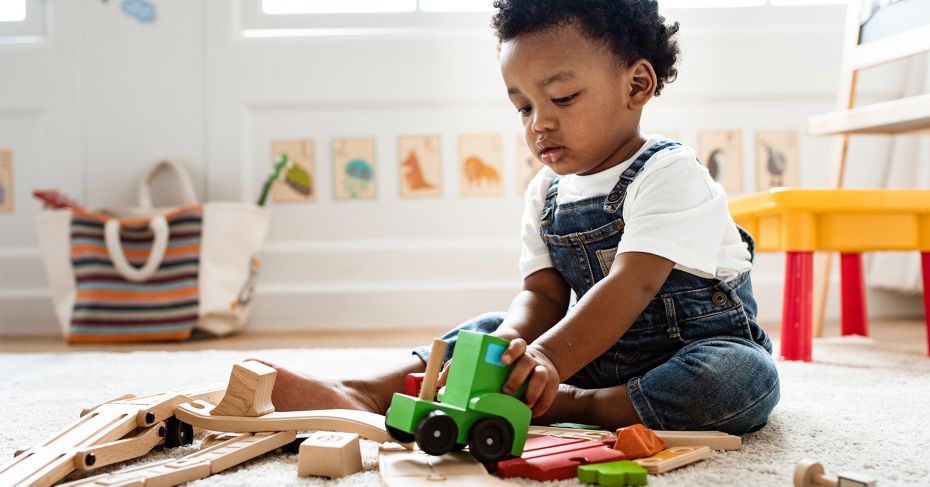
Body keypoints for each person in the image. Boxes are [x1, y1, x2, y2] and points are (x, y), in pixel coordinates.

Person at [264, 0, 779, 434]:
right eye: (523, 107)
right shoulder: (546, 191)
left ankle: (576, 407)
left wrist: (550, 361)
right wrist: (513, 343)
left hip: (687, 352)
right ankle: (364, 393)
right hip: (588, 353)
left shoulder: (669, 172)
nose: (541, 122)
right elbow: (544, 296)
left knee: (740, 379)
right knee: (486, 330)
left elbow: (632, 286)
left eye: (562, 97)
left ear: (637, 85)